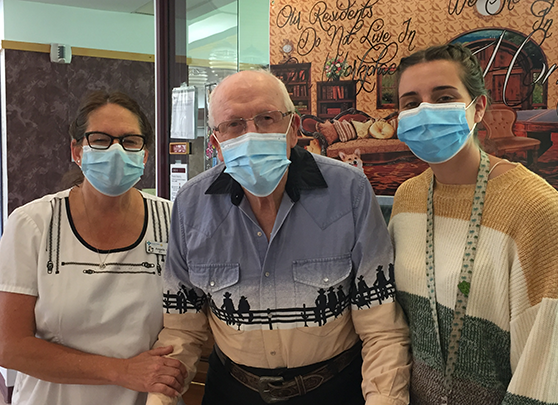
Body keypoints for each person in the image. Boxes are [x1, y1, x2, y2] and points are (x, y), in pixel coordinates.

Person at [147, 70, 411, 405]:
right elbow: (182, 329)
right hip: (232, 391)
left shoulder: (350, 192)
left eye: (267, 118)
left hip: (336, 390)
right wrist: (160, 399)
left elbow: (381, 327)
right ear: (216, 143)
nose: (252, 133)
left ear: (293, 129)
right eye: (234, 125)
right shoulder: (191, 206)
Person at [388, 44, 558, 404]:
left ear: (478, 107)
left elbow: (551, 360)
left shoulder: (534, 206)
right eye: (411, 103)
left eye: (444, 97)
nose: (425, 111)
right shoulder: (407, 199)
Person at [0, 90, 186, 405]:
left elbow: (188, 323)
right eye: (101, 140)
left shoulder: (173, 221)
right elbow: (12, 348)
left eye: (130, 141)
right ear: (76, 151)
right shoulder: (34, 224)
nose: (116, 151)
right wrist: (121, 371)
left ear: (145, 154)